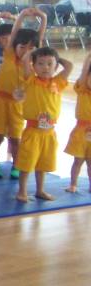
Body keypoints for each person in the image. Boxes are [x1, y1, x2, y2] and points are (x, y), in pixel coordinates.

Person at [0, 8, 47, 179]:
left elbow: (39, 38)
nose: (26, 50)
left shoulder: (32, 63)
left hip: (17, 105)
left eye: (31, 48)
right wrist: (23, 15)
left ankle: (16, 166)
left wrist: (44, 16)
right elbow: (16, 30)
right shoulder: (10, 54)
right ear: (15, 45)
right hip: (1, 102)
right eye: (22, 46)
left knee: (15, 139)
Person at [15, 47, 72, 203]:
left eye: (49, 64)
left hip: (49, 132)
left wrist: (56, 58)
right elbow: (25, 61)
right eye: (40, 63)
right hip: (33, 131)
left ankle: (40, 190)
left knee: (43, 164)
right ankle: (22, 191)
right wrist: (32, 52)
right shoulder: (31, 80)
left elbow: (69, 66)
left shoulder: (58, 82)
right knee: (26, 163)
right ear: (34, 66)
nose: (45, 67)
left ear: (55, 66)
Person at [66, 52, 91, 194]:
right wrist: (88, 57)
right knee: (78, 160)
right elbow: (84, 71)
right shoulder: (82, 90)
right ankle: (73, 184)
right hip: (81, 131)